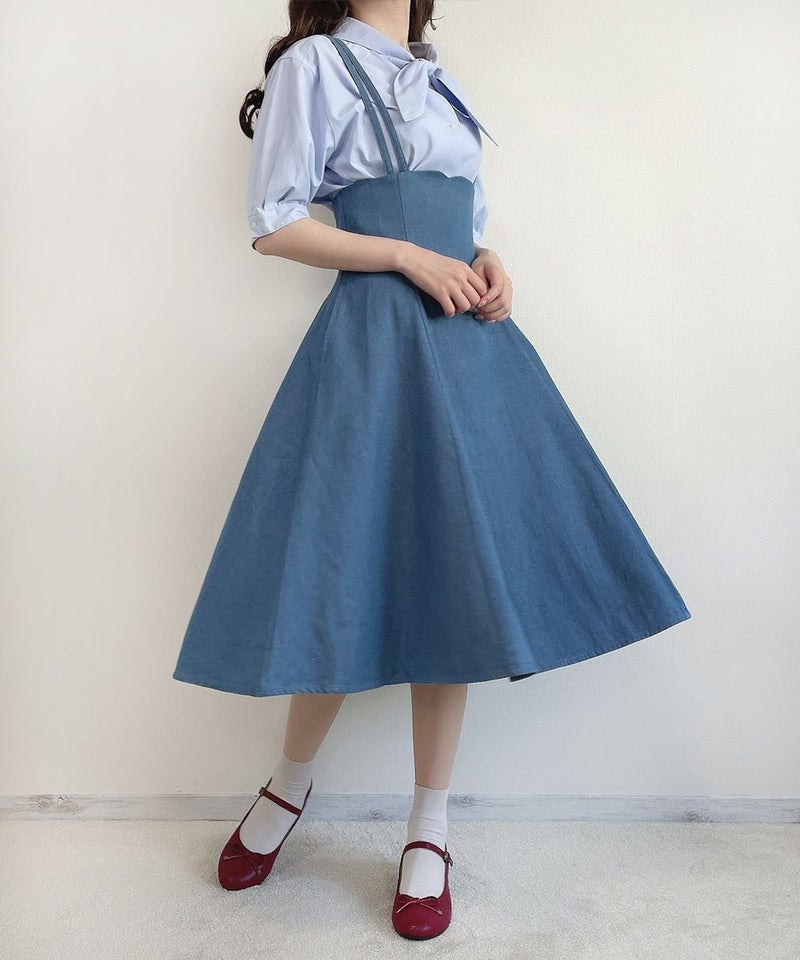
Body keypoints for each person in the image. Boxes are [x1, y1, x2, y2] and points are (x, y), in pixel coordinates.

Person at [172, 0, 692, 941]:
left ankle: (429, 826)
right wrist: (406, 254)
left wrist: (488, 260)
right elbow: (274, 222)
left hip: (465, 348)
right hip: (374, 347)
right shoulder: (314, 66)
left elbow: (464, 217)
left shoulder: (436, 79)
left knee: (454, 580)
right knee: (339, 571)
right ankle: (289, 783)